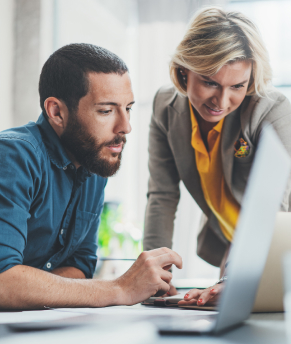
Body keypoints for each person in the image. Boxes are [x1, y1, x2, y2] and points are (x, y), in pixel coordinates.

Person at [143, 7, 291, 307]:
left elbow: (269, 210)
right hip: (236, 245)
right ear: (184, 71)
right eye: (210, 82)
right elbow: (162, 196)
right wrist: (154, 276)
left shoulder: (272, 110)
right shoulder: (164, 108)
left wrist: (233, 278)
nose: (222, 101)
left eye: (237, 86)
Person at [0, 43, 182, 309]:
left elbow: (80, 265)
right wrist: (119, 288)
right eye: (106, 111)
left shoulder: (92, 162)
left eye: (128, 108)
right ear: (56, 112)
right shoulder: (13, 156)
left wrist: (33, 288)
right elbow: (4, 281)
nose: (126, 127)